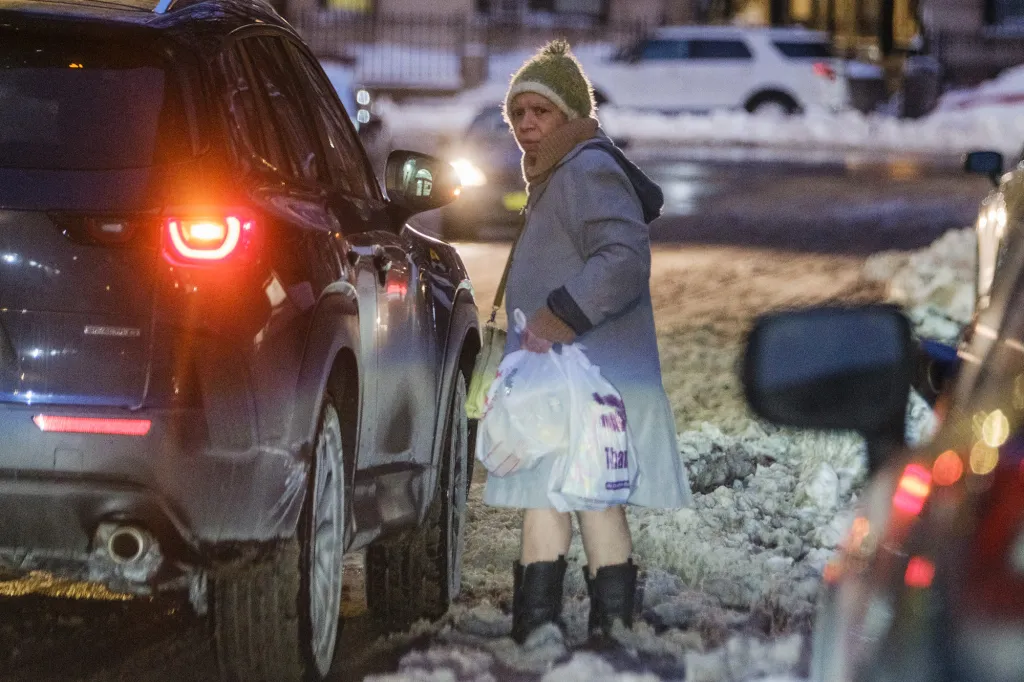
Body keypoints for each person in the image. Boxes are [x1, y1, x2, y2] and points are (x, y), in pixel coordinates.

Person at [483, 39, 693, 645]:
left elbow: (624, 259)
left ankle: (609, 632)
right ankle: (544, 629)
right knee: (548, 497)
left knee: (595, 501)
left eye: (540, 111)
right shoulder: (561, 170)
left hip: (590, 380)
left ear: (573, 115)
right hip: (565, 380)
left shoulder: (586, 168)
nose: (526, 124)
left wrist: (555, 318)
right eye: (517, 113)